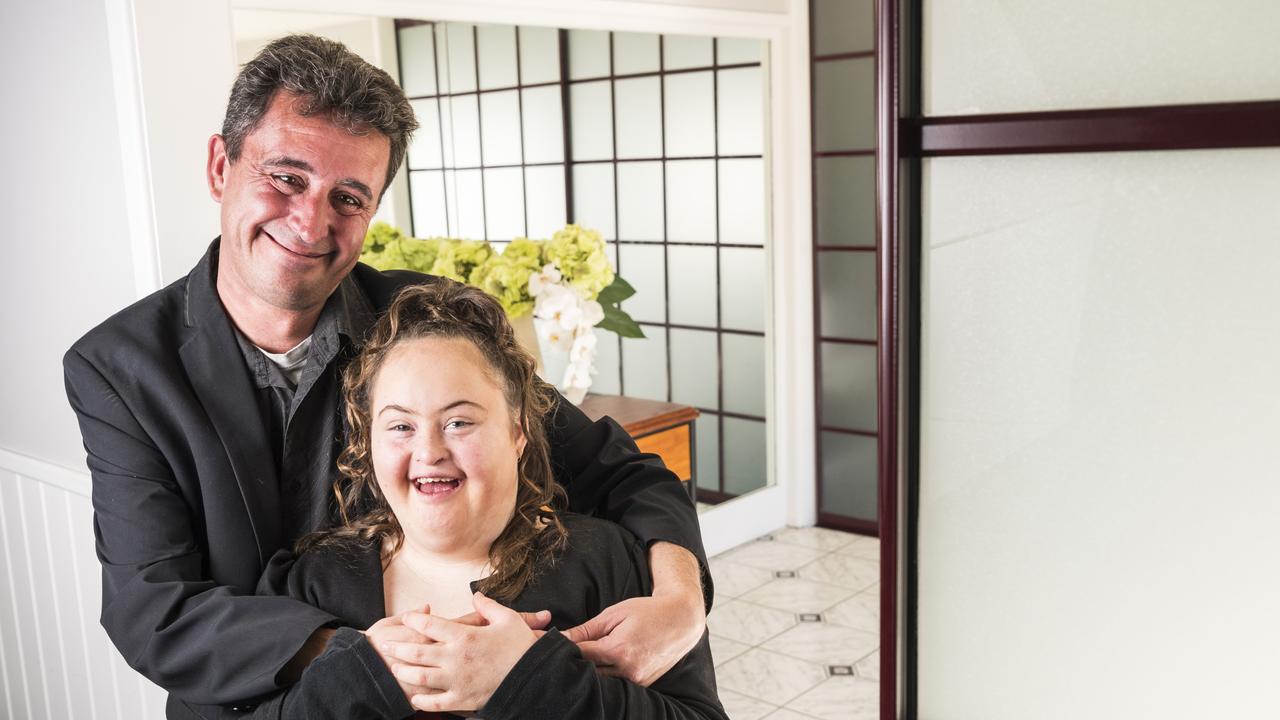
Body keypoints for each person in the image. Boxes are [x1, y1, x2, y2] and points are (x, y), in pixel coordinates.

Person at [63, 34, 709, 716]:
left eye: (349, 197)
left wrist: (679, 600)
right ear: (222, 166)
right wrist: (386, 661)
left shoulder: (418, 324)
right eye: (286, 177)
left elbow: (620, 471)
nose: (311, 222)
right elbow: (154, 609)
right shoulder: (121, 369)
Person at [183, 281, 728, 719]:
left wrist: (534, 682)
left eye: (459, 421)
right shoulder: (310, 581)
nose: (429, 451)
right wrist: (362, 676)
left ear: (518, 434)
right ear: (367, 441)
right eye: (399, 425)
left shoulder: (606, 563)